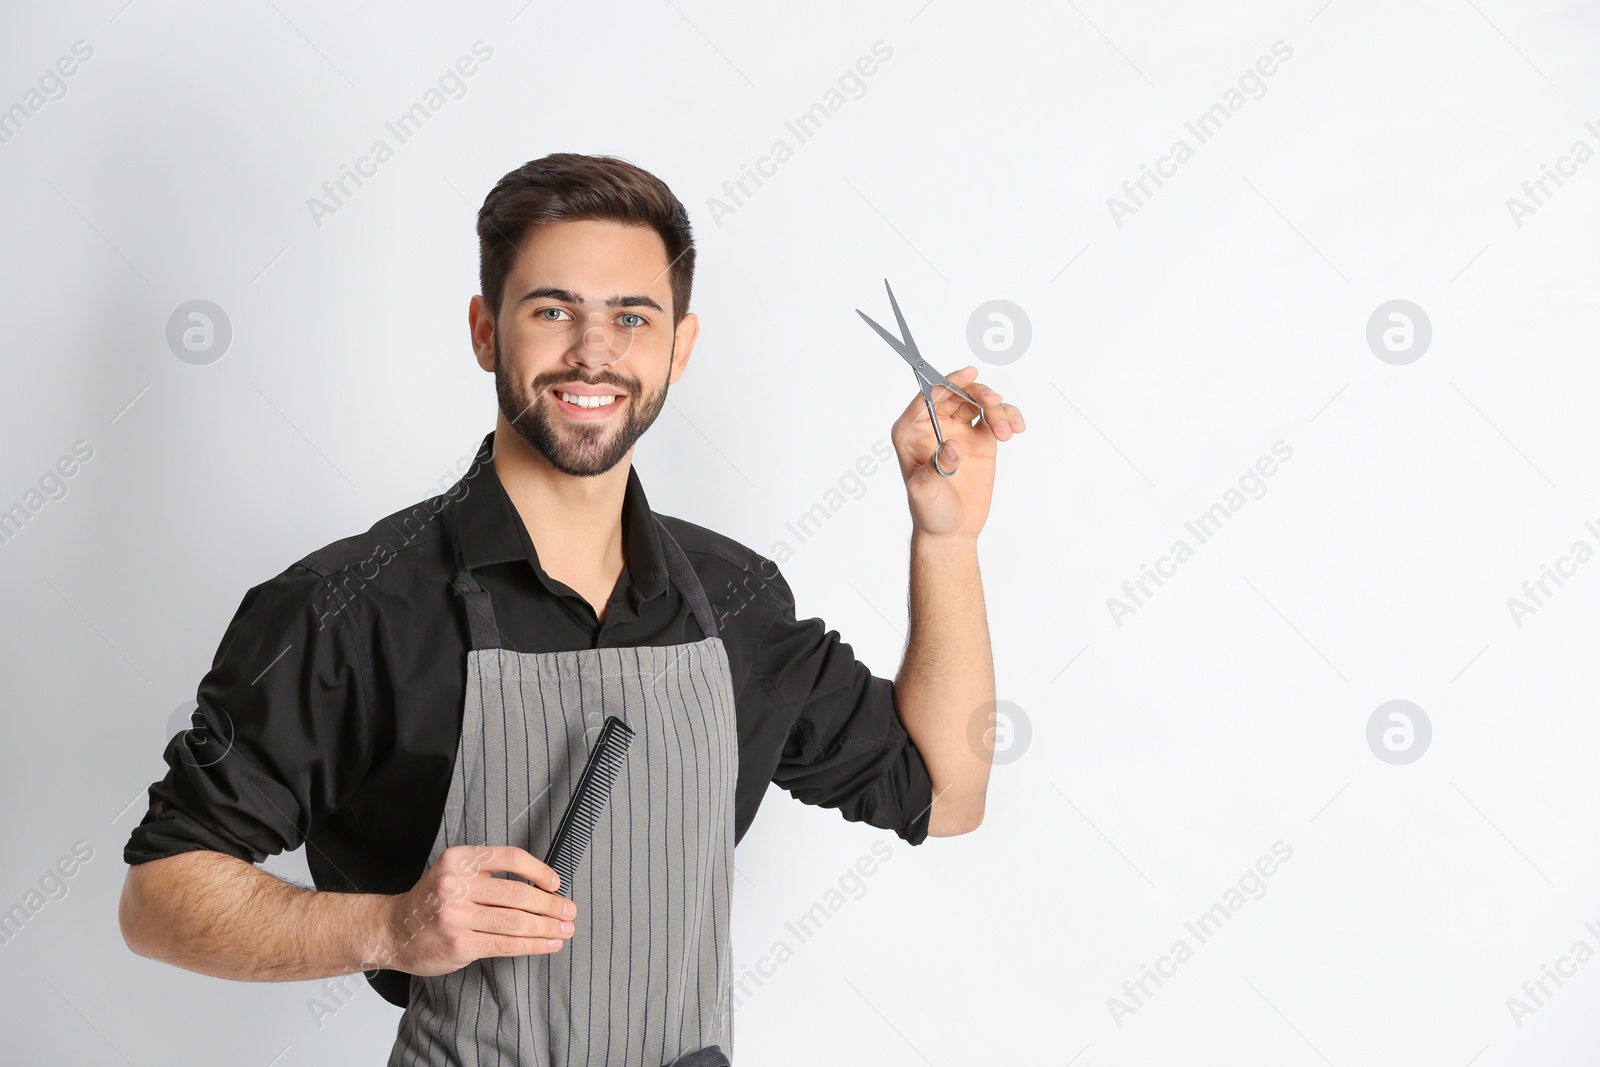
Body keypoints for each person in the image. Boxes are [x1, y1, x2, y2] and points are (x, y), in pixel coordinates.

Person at [117, 152, 1025, 1066]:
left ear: (680, 345)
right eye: (554, 311)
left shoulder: (734, 598)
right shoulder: (350, 607)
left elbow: (946, 793)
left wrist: (946, 541)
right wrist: (388, 928)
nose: (594, 351)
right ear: (485, 331)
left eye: (632, 317)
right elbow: (158, 893)